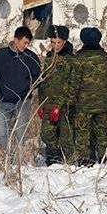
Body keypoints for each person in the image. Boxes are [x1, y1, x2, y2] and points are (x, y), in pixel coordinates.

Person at [0, 26, 41, 153]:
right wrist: (1, 87)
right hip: (4, 100)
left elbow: (38, 77)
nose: (26, 46)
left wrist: (28, 87)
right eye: (24, 42)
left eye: (28, 43)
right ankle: (5, 158)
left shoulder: (31, 57)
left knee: (20, 133)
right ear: (16, 40)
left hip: (23, 102)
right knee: (2, 134)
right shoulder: (2, 55)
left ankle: (19, 161)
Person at [72, 27, 107, 164]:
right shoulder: (106, 58)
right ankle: (104, 160)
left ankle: (85, 162)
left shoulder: (79, 58)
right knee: (103, 134)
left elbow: (74, 83)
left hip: (83, 105)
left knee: (82, 135)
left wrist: (71, 102)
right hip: (103, 105)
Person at [38, 25, 76, 165]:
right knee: (46, 133)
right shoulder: (49, 59)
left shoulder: (71, 60)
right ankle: (53, 158)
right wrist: (41, 104)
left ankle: (69, 164)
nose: (55, 45)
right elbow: (43, 84)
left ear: (64, 42)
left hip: (65, 105)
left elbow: (73, 85)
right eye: (53, 42)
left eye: (58, 42)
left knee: (66, 137)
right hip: (49, 104)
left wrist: (61, 106)